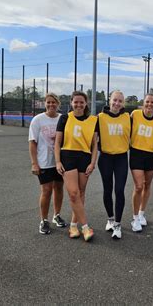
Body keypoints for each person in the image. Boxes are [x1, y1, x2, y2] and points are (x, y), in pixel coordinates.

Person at [54, 91, 98, 242]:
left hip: (85, 158)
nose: (78, 105)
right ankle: (85, 227)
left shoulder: (93, 120)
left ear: (86, 104)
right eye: (76, 102)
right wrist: (58, 161)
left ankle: (73, 225)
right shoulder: (65, 118)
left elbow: (94, 145)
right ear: (71, 103)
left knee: (81, 193)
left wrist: (92, 163)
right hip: (68, 157)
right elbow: (57, 143)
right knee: (73, 193)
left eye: (82, 102)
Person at [28, 93, 68, 235]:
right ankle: (43, 220)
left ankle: (56, 215)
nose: (51, 105)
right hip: (44, 162)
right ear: (45, 103)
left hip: (60, 162)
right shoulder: (37, 120)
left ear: (58, 104)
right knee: (46, 191)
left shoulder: (63, 119)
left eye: (54, 102)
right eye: (48, 102)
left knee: (59, 188)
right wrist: (34, 163)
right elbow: (32, 143)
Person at [97, 90, 131, 240]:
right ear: (109, 100)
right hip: (105, 158)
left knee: (119, 190)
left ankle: (118, 224)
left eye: (120, 101)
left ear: (123, 103)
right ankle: (110, 219)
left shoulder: (128, 118)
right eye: (115, 100)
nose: (117, 103)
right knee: (107, 189)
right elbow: (92, 138)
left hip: (121, 158)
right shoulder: (100, 118)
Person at [129, 93, 153, 232]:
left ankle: (142, 213)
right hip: (136, 153)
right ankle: (135, 217)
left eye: (152, 102)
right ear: (143, 103)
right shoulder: (135, 114)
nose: (149, 104)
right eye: (147, 102)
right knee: (138, 186)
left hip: (151, 154)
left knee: (147, 185)